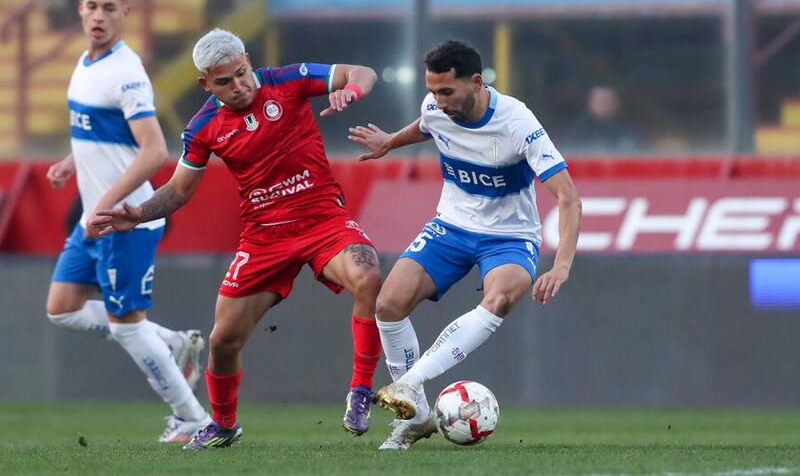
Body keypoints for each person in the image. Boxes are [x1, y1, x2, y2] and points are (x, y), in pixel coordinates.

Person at [90, 28, 384, 449]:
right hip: (263, 237)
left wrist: (351, 91)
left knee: (369, 275)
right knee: (222, 340)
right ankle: (224, 424)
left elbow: (364, 71)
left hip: (322, 220)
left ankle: (359, 391)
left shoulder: (287, 80)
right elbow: (179, 190)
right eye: (224, 82)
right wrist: (137, 214)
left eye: (242, 73)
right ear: (205, 84)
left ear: (248, 60)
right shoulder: (203, 126)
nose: (239, 86)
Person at [348, 40, 582, 450]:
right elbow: (425, 125)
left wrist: (561, 267)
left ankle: (407, 383)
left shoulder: (516, 122)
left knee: (501, 299)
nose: (437, 101)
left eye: (446, 92)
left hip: (510, 237)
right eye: (433, 91)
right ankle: (417, 415)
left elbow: (569, 198)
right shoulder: (435, 108)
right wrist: (389, 141)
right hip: (452, 226)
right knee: (387, 305)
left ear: (476, 82)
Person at [45, 0, 209, 444]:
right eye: (92, 6)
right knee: (62, 309)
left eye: (109, 9)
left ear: (124, 13)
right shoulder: (87, 61)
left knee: (126, 328)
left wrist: (109, 204)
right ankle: (174, 343)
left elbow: (156, 150)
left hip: (123, 221)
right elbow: (102, 134)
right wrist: (71, 160)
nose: (98, 16)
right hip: (96, 216)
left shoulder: (125, 72)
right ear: (81, 9)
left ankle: (192, 418)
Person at [565, 86, 638, 153]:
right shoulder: (580, 128)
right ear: (590, 103)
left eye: (609, 101)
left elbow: (634, 149)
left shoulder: (626, 126)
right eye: (601, 101)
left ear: (617, 103)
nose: (605, 105)